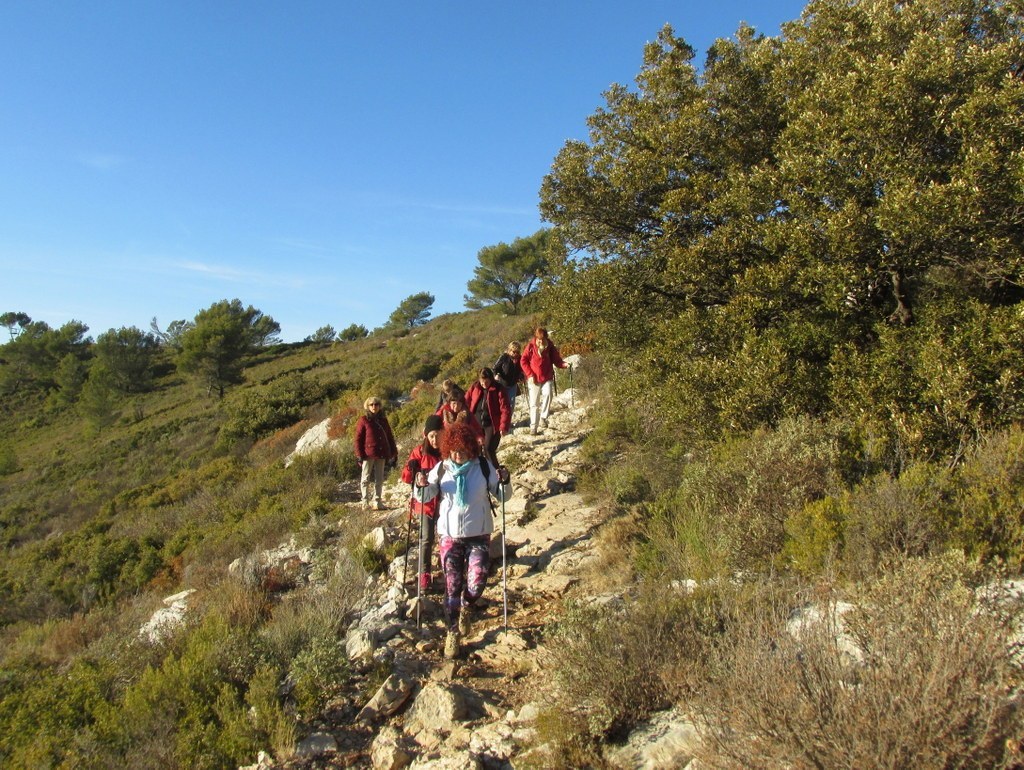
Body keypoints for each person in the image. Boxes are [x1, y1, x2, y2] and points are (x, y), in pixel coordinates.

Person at [415, 421, 511, 659]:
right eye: (454, 450)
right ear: (448, 449)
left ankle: (468, 606)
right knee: (451, 587)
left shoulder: (484, 467)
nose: (458, 454)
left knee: (477, 582)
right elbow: (427, 496)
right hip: (449, 536)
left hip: (478, 534)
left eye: (463, 449)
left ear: (470, 448)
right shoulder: (441, 469)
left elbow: (502, 496)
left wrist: (505, 481)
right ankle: (452, 633)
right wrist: (420, 486)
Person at [400, 414, 444, 592]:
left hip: (445, 503)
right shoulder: (418, 453)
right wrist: (411, 469)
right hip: (426, 504)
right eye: (431, 436)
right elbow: (405, 477)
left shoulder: (447, 452)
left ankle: (445, 570)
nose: (434, 440)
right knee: (426, 539)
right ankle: (424, 574)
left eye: (437, 435)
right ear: (426, 435)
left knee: (444, 538)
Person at [519, 327, 568, 435]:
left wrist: (564, 364)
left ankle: (543, 418)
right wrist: (530, 374)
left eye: (543, 339)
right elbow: (523, 361)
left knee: (548, 394)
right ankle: (533, 427)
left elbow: (556, 359)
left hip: (547, 376)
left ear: (546, 337)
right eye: (539, 339)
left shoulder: (550, 345)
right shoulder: (531, 346)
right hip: (534, 378)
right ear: (536, 337)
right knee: (534, 403)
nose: (541, 341)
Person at [354, 396, 397, 510]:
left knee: (379, 479)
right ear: (367, 406)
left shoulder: (383, 420)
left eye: (376, 404)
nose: (374, 406)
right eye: (371, 404)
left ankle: (377, 502)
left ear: (379, 406)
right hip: (368, 454)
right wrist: (359, 455)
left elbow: (389, 436)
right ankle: (365, 502)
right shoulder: (363, 420)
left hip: (381, 452)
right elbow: (358, 438)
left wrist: (393, 452)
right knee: (365, 478)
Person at [465, 367, 511, 468]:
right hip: (476, 424)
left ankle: (496, 472)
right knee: (476, 450)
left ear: (491, 379)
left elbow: (505, 409)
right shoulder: (475, 387)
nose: (484, 384)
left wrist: (503, 426)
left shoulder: (498, 389)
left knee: (488, 448)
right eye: (482, 382)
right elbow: (465, 401)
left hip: (492, 424)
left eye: (486, 381)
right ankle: (481, 471)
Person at [493, 342, 524, 417]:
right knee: (502, 404)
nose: (515, 354)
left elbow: (520, 370)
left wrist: (521, 377)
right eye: (514, 351)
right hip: (502, 385)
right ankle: (500, 420)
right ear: (509, 350)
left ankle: (508, 422)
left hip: (513, 385)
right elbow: (495, 368)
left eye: (517, 352)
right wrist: (496, 375)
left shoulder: (520, 358)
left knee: (511, 404)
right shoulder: (504, 357)